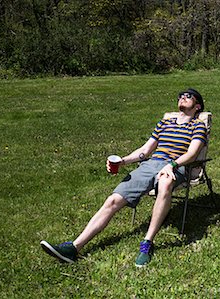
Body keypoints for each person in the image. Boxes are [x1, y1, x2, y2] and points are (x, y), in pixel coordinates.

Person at [40, 88, 207, 267]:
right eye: (180, 95)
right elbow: (145, 150)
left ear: (197, 106)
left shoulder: (198, 126)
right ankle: (74, 247)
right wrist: (123, 161)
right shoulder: (164, 123)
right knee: (113, 200)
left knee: (165, 183)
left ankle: (147, 243)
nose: (182, 97)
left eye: (188, 96)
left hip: (177, 167)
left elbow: (192, 153)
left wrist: (172, 165)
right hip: (151, 165)